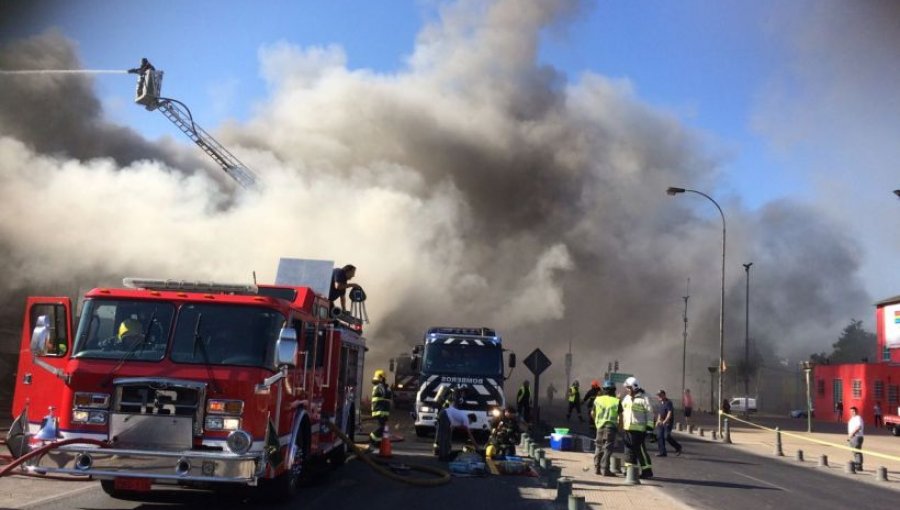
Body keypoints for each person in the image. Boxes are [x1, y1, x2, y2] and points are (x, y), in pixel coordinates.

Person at [433, 387, 479, 460]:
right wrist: (477, 447)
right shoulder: (465, 419)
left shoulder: (462, 415)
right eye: (471, 422)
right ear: (470, 419)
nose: (470, 423)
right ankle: (442, 456)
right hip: (445, 414)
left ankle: (444, 454)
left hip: (444, 413)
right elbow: (470, 435)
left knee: (446, 436)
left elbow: (453, 426)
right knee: (444, 437)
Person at [621, 376, 653, 479]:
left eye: (628, 388)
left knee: (640, 450)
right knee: (628, 450)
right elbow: (622, 412)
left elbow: (650, 414)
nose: (626, 390)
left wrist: (649, 429)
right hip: (627, 429)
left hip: (639, 430)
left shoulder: (644, 398)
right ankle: (630, 471)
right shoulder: (626, 398)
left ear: (634, 387)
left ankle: (647, 471)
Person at [593, 380, 622, 476]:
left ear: (604, 389)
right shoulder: (616, 401)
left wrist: (597, 422)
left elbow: (592, 413)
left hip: (600, 426)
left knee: (598, 446)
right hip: (611, 427)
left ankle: (596, 468)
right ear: (614, 390)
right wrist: (620, 428)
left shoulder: (597, 400)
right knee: (608, 448)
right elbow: (620, 417)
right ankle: (605, 469)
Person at [369, 369, 393, 451]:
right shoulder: (380, 386)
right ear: (381, 378)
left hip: (383, 410)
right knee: (382, 427)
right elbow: (385, 393)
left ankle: (378, 443)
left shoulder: (380, 386)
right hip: (380, 410)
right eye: (384, 378)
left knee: (382, 427)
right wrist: (388, 388)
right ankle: (372, 437)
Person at [655, 390, 682, 457]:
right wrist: (657, 421)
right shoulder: (660, 403)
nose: (659, 396)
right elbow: (659, 414)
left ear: (664, 395)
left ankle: (678, 447)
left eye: (660, 395)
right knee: (659, 436)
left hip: (667, 423)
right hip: (661, 422)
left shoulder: (668, 402)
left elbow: (669, 413)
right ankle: (662, 452)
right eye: (658, 395)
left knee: (666, 436)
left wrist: (665, 421)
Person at [847, 406, 864, 471]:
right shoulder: (852, 418)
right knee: (854, 452)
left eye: (853, 411)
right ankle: (857, 464)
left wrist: (852, 433)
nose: (852, 412)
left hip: (857, 437)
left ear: (856, 411)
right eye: (851, 411)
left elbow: (858, 427)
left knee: (857, 451)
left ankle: (859, 466)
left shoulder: (858, 418)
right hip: (852, 437)